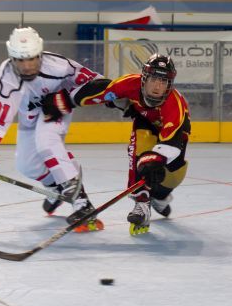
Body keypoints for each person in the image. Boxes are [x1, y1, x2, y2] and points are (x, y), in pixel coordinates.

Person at [0, 26, 104, 232]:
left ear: (40, 54)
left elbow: (98, 83)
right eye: (20, 60)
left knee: (46, 141)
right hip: (29, 117)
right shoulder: (6, 76)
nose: (27, 66)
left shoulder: (58, 66)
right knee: (26, 165)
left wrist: (66, 100)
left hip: (57, 109)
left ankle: (82, 202)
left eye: (31, 59)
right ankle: (59, 187)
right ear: (12, 58)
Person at [41, 53, 190, 236]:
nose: (158, 86)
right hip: (144, 124)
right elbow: (99, 90)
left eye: (164, 81)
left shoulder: (175, 104)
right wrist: (65, 100)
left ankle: (160, 197)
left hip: (173, 139)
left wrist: (157, 159)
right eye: (154, 79)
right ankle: (142, 204)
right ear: (144, 78)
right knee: (141, 148)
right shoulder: (130, 84)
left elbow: (172, 141)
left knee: (173, 175)